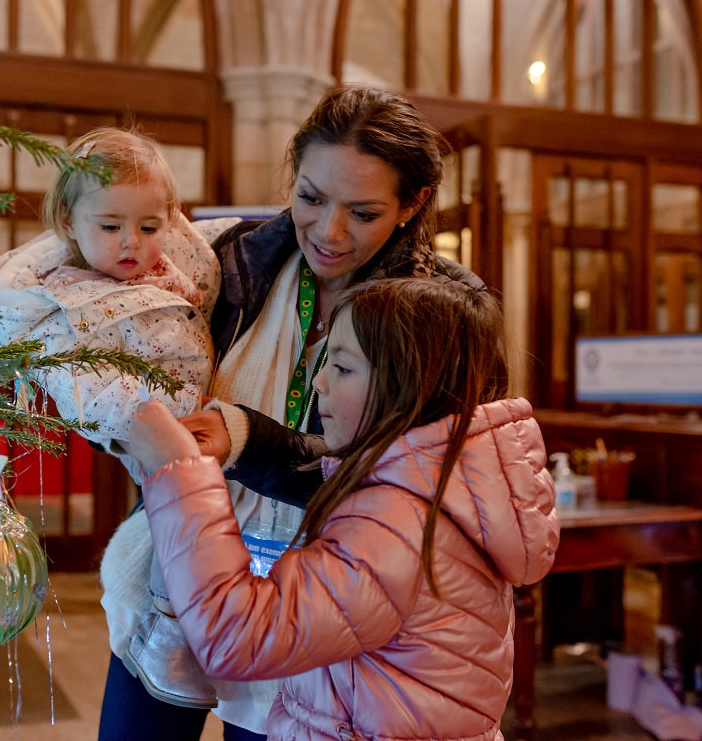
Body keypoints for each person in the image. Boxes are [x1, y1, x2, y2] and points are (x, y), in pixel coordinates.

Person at [97, 85, 487, 741]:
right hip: (179, 572)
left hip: (313, 610)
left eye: (362, 211)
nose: (329, 232)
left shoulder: (437, 313)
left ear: (413, 203)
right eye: (310, 197)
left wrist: (247, 439)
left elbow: (394, 481)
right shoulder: (234, 257)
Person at [128, 277, 561, 741]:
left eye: (342, 367)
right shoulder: (438, 493)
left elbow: (238, 637)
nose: (319, 383)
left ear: (407, 385)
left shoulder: (396, 523)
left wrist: (178, 475)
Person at [0, 127, 219, 455]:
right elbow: (91, 397)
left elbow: (210, 255)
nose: (132, 241)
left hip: (216, 409)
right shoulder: (61, 305)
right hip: (164, 432)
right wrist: (188, 408)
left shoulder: (173, 260)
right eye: (110, 226)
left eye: (149, 227)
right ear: (69, 224)